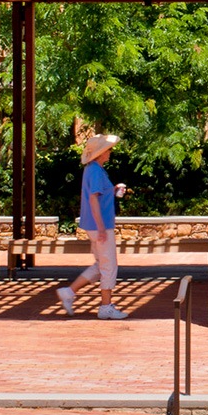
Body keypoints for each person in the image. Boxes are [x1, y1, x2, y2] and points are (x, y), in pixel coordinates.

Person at [55, 133, 127, 319]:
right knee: (109, 265)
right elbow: (93, 198)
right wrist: (101, 227)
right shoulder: (95, 170)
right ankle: (105, 306)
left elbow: (98, 193)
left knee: (100, 264)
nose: (110, 152)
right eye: (108, 149)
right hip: (100, 225)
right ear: (101, 153)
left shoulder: (94, 170)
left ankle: (69, 292)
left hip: (95, 224)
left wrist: (113, 190)